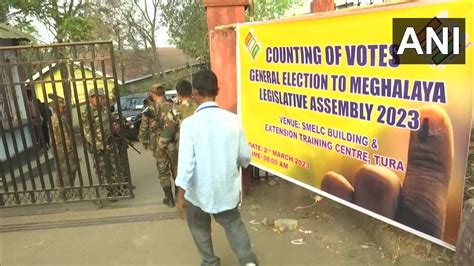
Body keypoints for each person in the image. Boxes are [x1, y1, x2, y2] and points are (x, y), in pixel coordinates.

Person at [175, 70, 258, 266]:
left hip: (197, 191)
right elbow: (245, 156)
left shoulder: (189, 124)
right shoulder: (233, 120)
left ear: (194, 92)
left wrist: (180, 197)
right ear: (217, 90)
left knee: (199, 227)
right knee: (234, 225)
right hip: (225, 187)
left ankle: (210, 262)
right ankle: (248, 262)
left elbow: (186, 165)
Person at [158, 80, 198, 198]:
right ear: (192, 92)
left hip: (184, 149)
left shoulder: (176, 111)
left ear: (178, 94)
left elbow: (166, 136)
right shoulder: (199, 107)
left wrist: (161, 146)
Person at [138, 84, 175, 207]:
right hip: (172, 142)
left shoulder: (149, 109)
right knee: (176, 168)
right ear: (163, 94)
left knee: (163, 170)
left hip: (157, 145)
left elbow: (144, 128)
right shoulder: (172, 105)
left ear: (153, 95)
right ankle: (181, 197)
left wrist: (143, 141)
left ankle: (169, 198)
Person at [82, 88, 122, 199]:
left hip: (110, 141)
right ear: (90, 99)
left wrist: (115, 125)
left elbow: (112, 120)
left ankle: (118, 188)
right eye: (95, 97)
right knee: (103, 168)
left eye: (100, 96)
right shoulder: (87, 113)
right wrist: (100, 145)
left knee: (115, 165)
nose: (98, 99)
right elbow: (88, 132)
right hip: (98, 146)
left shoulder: (105, 109)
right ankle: (110, 190)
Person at [48, 93, 78, 199]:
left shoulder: (60, 119)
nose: (64, 109)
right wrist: (70, 149)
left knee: (67, 170)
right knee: (65, 170)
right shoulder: (56, 120)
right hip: (62, 150)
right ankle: (65, 192)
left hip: (63, 149)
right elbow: (63, 138)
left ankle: (67, 190)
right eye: (63, 108)